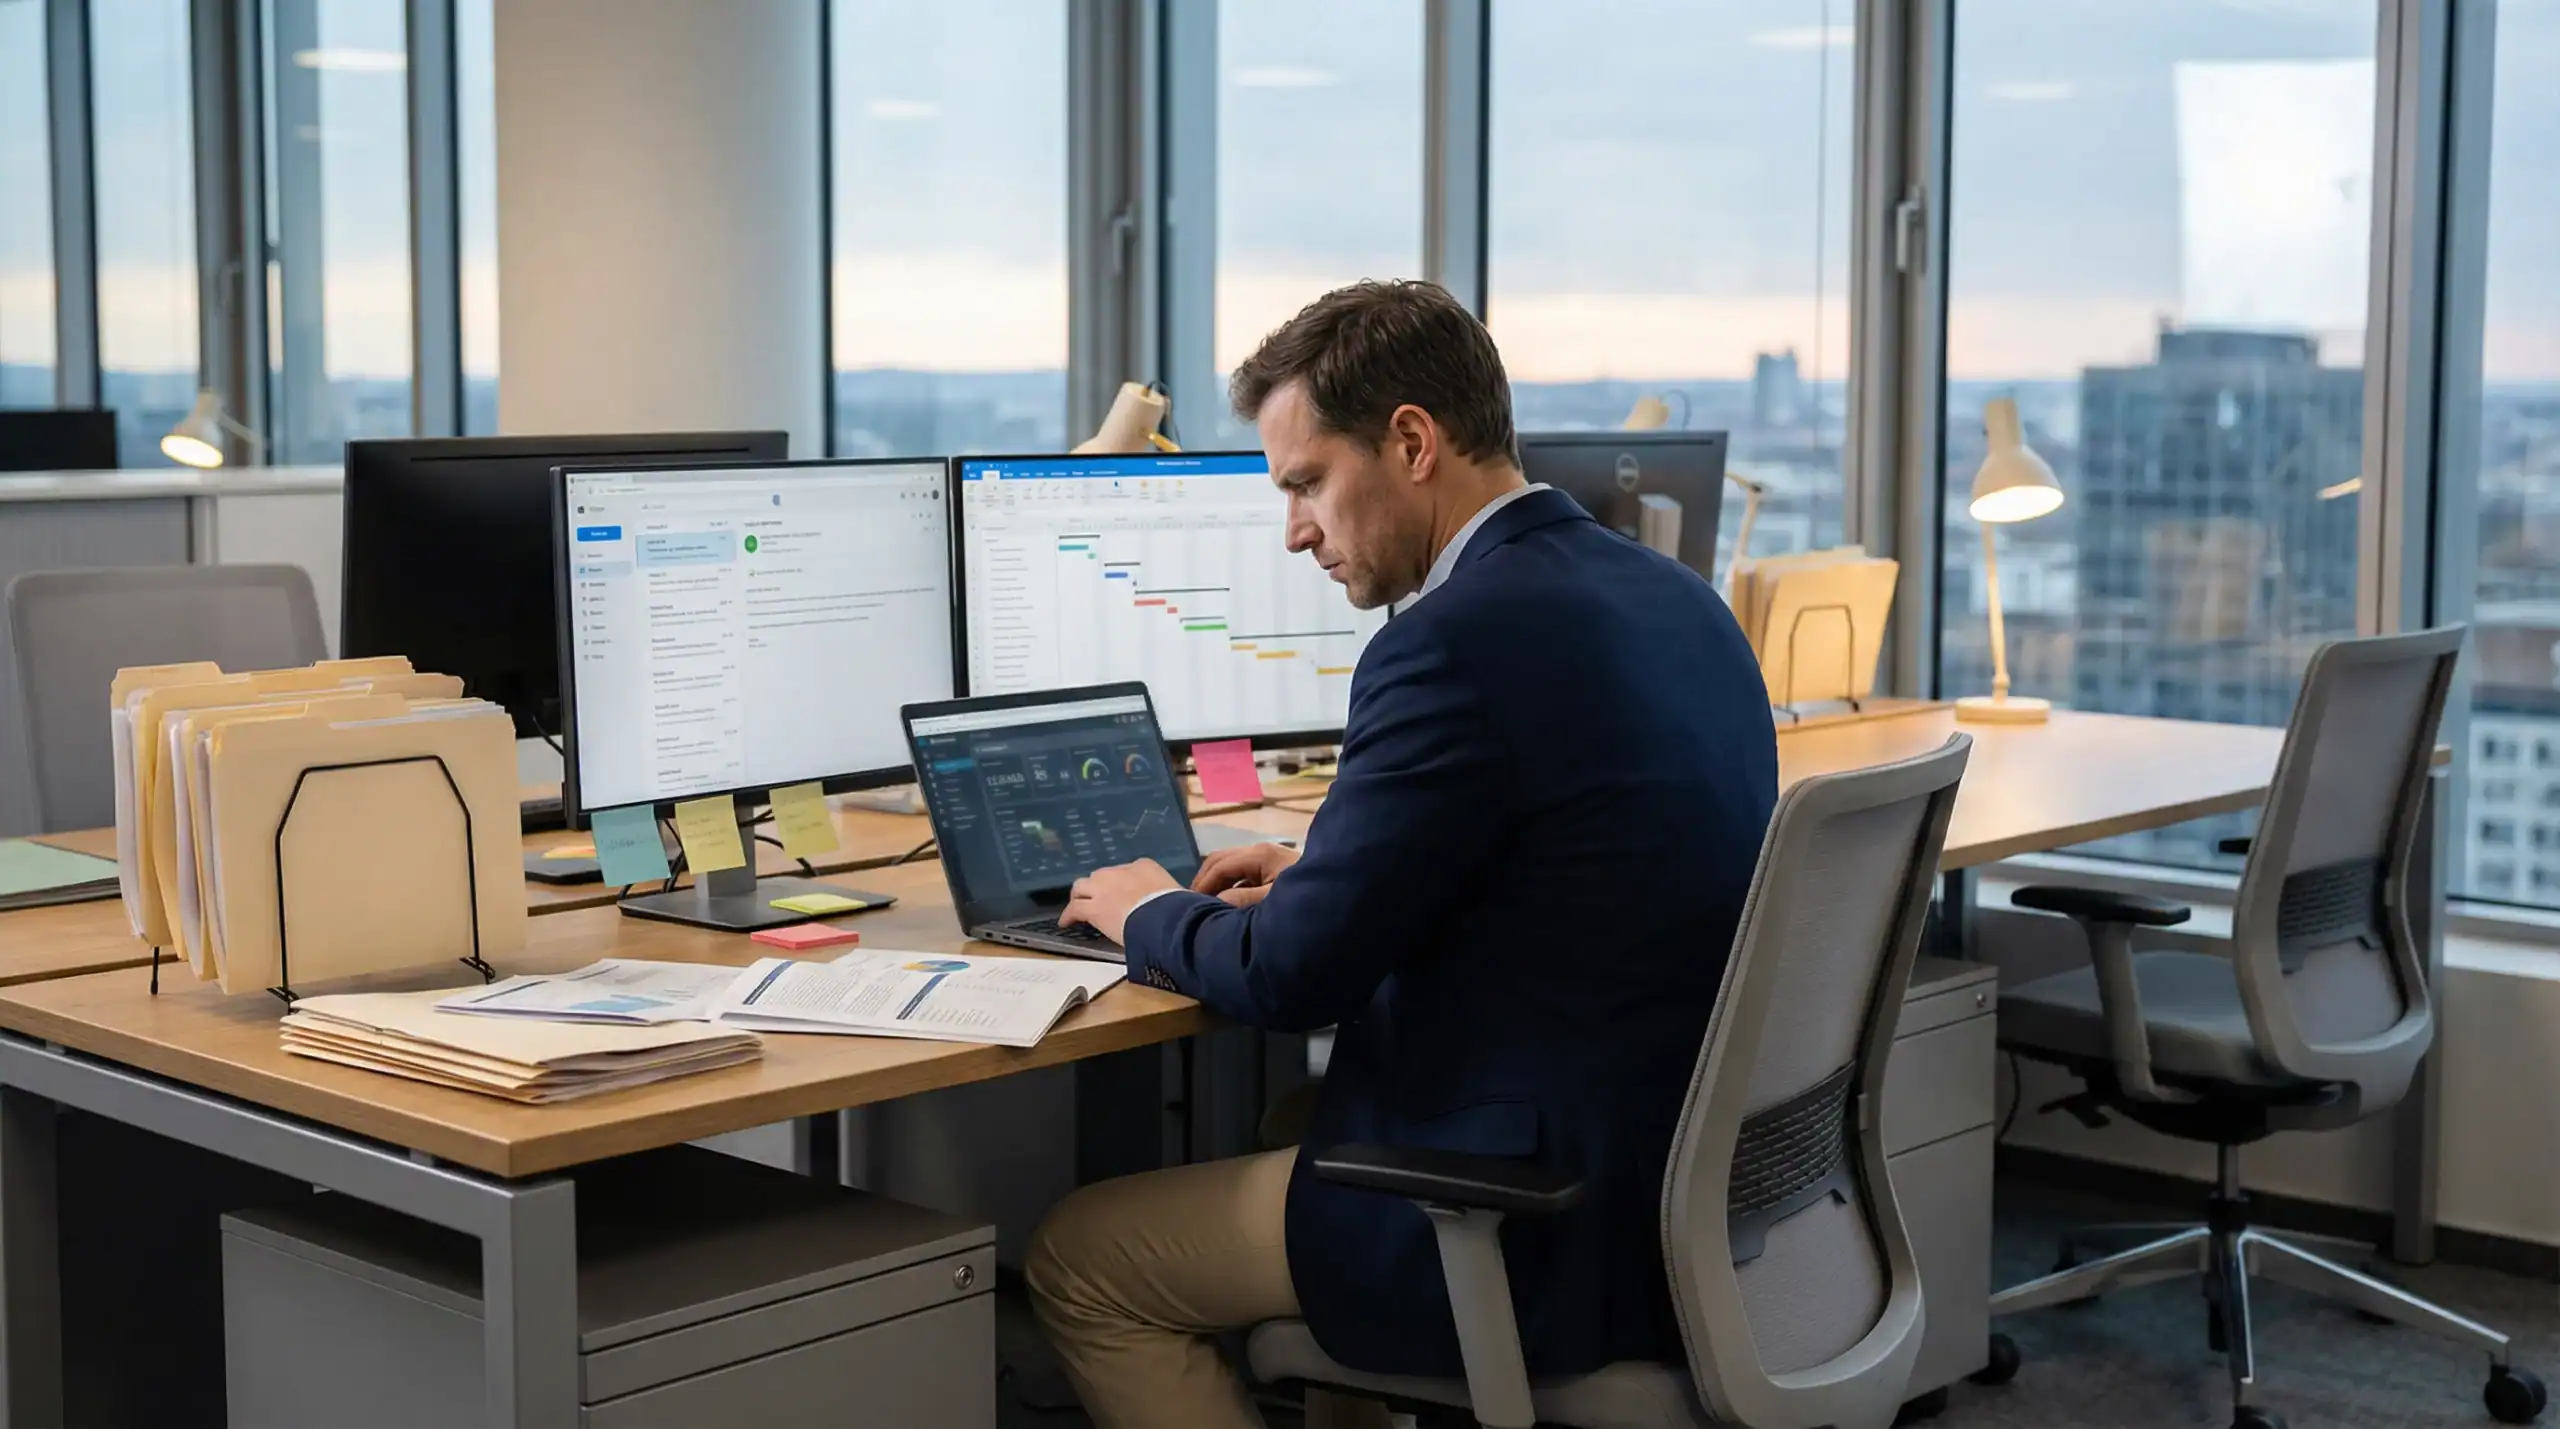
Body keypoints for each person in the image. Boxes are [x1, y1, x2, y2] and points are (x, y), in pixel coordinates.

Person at [1027, 279, 1778, 1429]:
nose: (1294, 529)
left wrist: (1144, 911)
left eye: (1307, 482)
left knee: (1081, 1256)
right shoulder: (1673, 594)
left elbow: (1291, 980)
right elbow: (1564, 858)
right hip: (1677, 1184)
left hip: (1541, 1218)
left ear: (1412, 442)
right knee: (1291, 1129)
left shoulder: (1447, 641)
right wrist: (1325, 868)